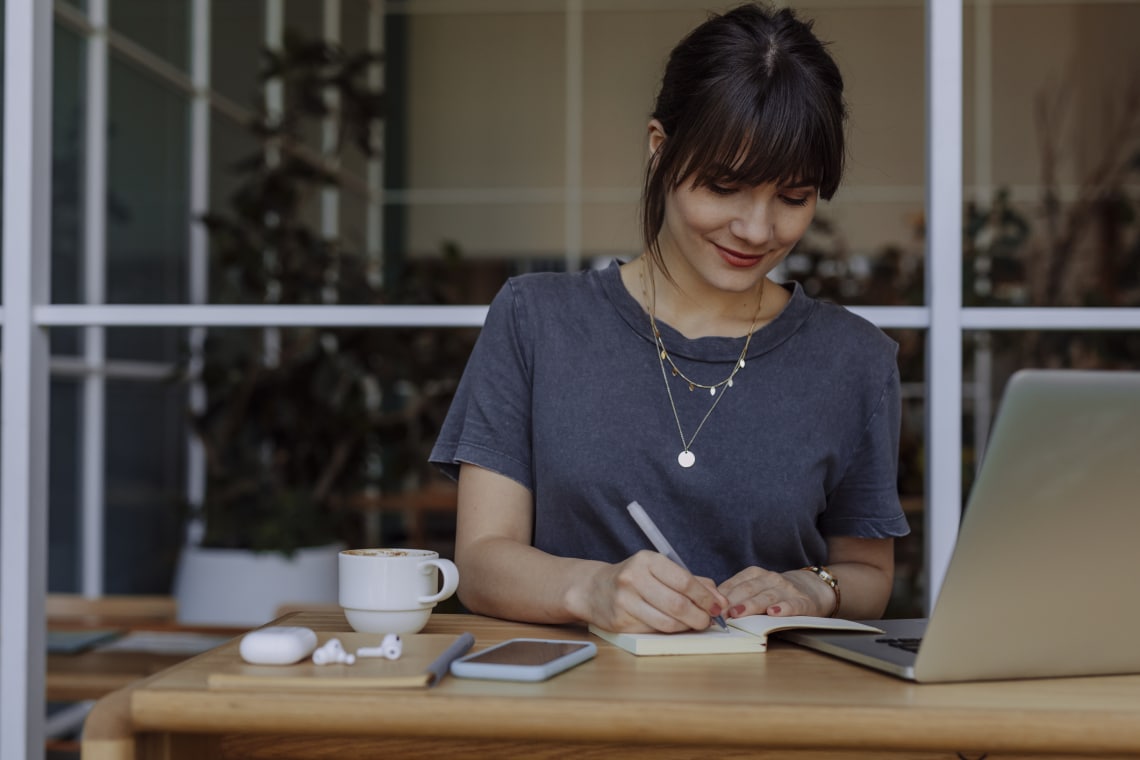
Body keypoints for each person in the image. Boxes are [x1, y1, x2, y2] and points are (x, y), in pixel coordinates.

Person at [429, 2, 909, 634]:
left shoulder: (855, 360)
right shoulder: (535, 320)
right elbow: (483, 559)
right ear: (660, 149)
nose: (757, 229)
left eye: (793, 198)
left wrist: (811, 589)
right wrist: (592, 588)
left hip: (779, 713)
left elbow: (869, 575)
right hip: (568, 708)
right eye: (723, 187)